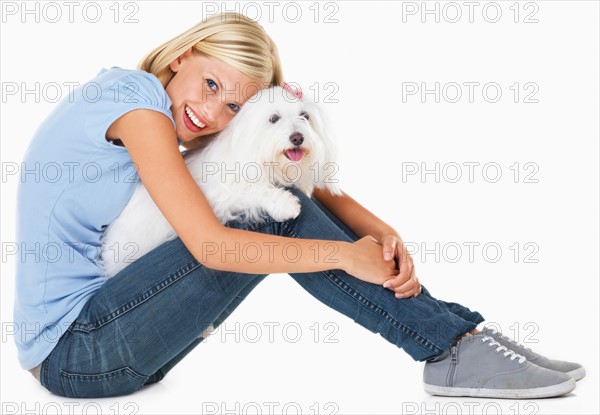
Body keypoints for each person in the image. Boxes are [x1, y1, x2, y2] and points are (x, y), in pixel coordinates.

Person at [14, 12, 584, 400]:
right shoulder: (137, 106)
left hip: (118, 346)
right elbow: (212, 246)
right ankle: (449, 347)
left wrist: (378, 230)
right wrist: (345, 257)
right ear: (184, 55)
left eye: (235, 107)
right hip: (80, 354)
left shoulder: (159, 115)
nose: (213, 114)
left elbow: (281, 160)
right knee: (271, 212)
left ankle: (459, 334)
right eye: (211, 84)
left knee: (276, 194)